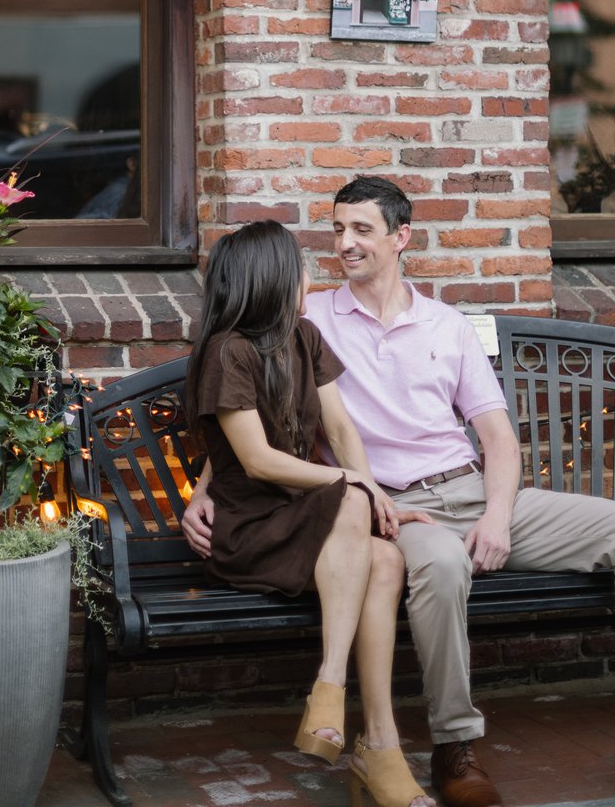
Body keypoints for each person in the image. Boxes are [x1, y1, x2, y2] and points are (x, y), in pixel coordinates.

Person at [184, 177, 615, 807]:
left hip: (468, 489)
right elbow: (254, 415)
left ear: (401, 237)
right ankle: (455, 746)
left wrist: (497, 516)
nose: (344, 244)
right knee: (442, 565)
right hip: (394, 508)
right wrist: (203, 488)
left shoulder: (447, 324)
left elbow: (500, 441)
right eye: (337, 229)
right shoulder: (309, 315)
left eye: (361, 230)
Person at [186, 218, 433, 807]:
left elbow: (341, 429)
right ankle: (329, 686)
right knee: (348, 498)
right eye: (297, 266)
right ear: (269, 277)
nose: (307, 275)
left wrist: (377, 497)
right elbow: (256, 459)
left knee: (387, 560)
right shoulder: (227, 352)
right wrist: (353, 485)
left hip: (301, 519)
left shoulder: (303, 337)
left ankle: (380, 745)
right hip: (249, 529)